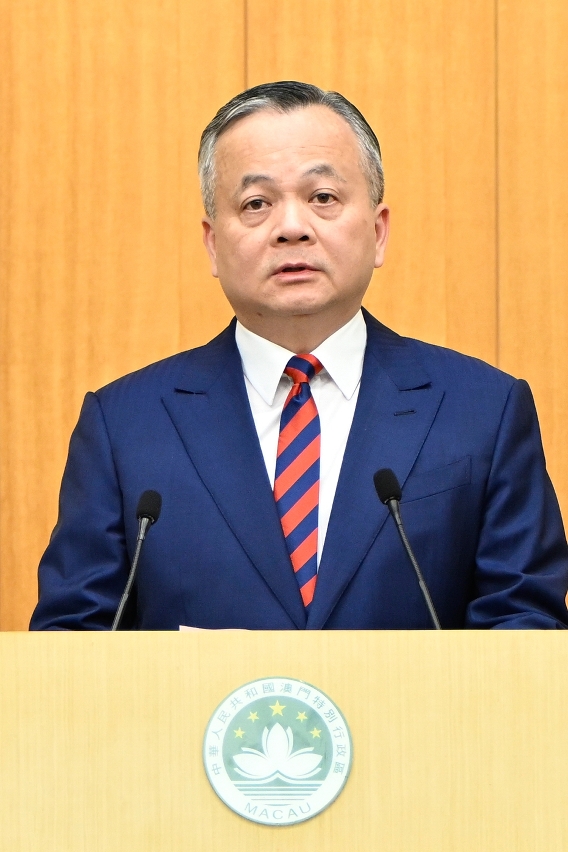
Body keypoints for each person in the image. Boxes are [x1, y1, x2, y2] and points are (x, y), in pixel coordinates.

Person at [30, 81, 568, 631]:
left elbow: (526, 628)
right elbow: (72, 644)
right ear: (213, 244)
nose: (291, 228)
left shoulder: (483, 412)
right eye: (256, 204)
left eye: (323, 198)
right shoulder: (125, 426)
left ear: (378, 232)